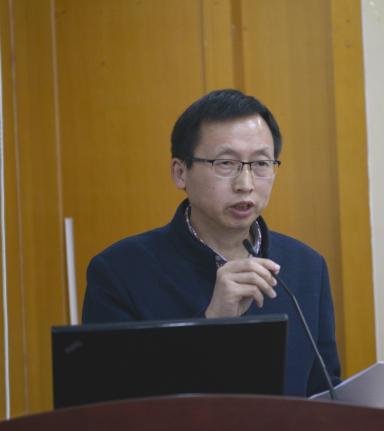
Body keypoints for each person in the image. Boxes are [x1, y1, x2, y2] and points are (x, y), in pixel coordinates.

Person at [82, 89, 341, 397]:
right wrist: (213, 322)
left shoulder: (307, 267)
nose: (245, 184)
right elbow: (111, 406)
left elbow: (324, 393)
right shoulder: (120, 272)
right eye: (225, 163)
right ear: (181, 172)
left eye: (261, 164)